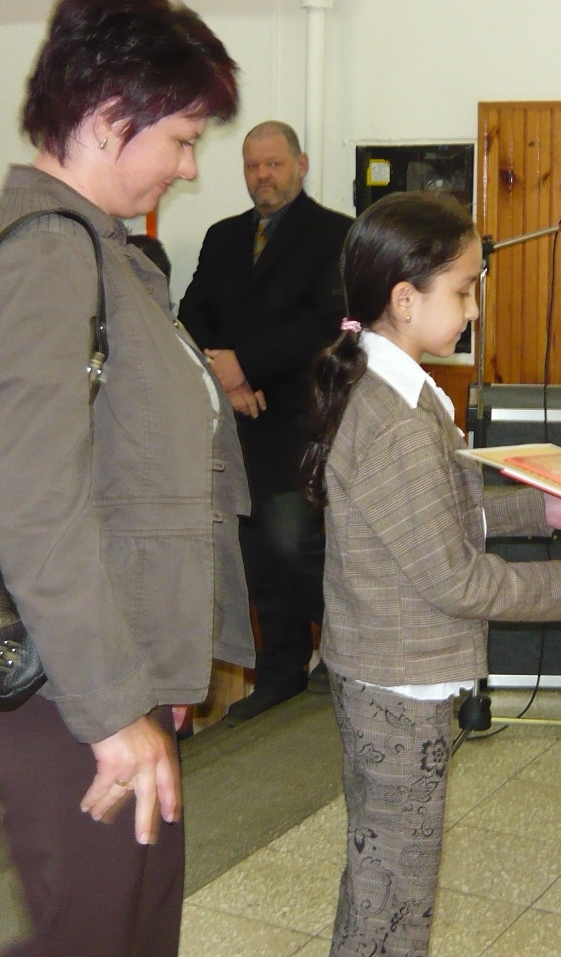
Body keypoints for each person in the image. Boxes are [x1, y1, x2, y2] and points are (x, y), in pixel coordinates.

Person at [0, 0, 253, 957]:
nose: (189, 168)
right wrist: (113, 707)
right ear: (112, 116)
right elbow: (32, 503)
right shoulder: (47, 253)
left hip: (106, 660)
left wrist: (157, 669)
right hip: (60, 681)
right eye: (184, 139)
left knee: (137, 916)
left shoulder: (98, 246)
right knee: (93, 929)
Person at [303, 191, 561, 957]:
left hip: (387, 675)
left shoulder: (399, 390)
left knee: (384, 879)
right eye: (464, 291)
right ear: (405, 299)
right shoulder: (393, 420)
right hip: (397, 687)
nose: (475, 310)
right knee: (394, 896)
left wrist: (536, 512)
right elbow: (455, 579)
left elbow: (430, 518)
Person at [179, 119, 352, 722]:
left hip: (299, 422)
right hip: (233, 423)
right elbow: (192, 312)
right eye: (253, 166)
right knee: (254, 554)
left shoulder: (335, 234)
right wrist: (226, 376)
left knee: (294, 544)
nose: (262, 177)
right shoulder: (222, 236)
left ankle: (345, 652)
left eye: (273, 164)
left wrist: (245, 366)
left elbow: (327, 323)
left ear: (300, 165)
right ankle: (280, 671)